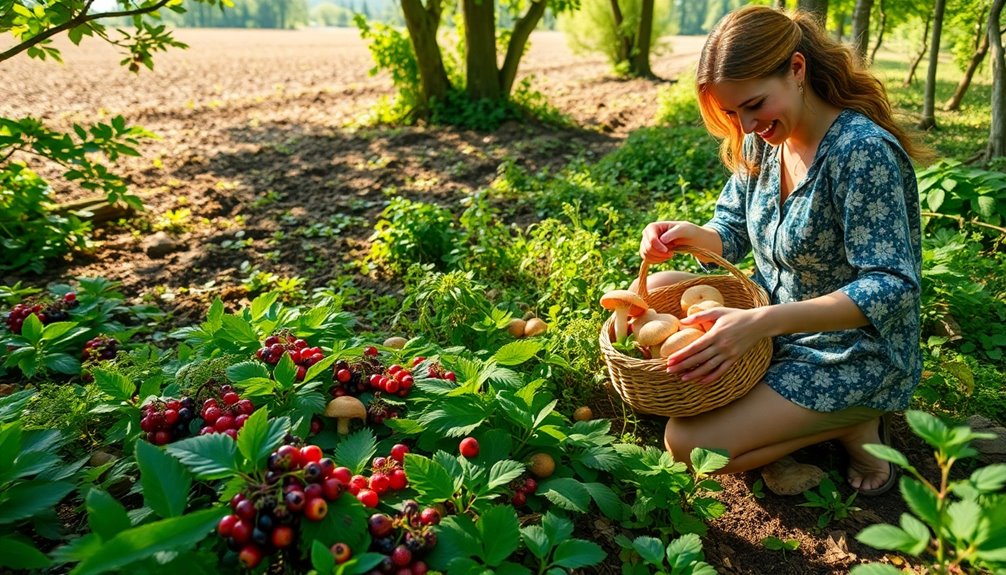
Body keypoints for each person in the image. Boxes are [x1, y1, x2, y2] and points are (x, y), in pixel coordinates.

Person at [636, 5, 929, 495]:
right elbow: (730, 227)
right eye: (732, 113)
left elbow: (891, 286)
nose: (746, 125)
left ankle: (855, 422)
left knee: (686, 444)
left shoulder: (861, 152)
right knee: (660, 287)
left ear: (797, 70)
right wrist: (688, 234)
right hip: (773, 320)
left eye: (753, 105)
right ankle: (781, 415)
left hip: (848, 349)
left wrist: (761, 323)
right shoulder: (763, 140)